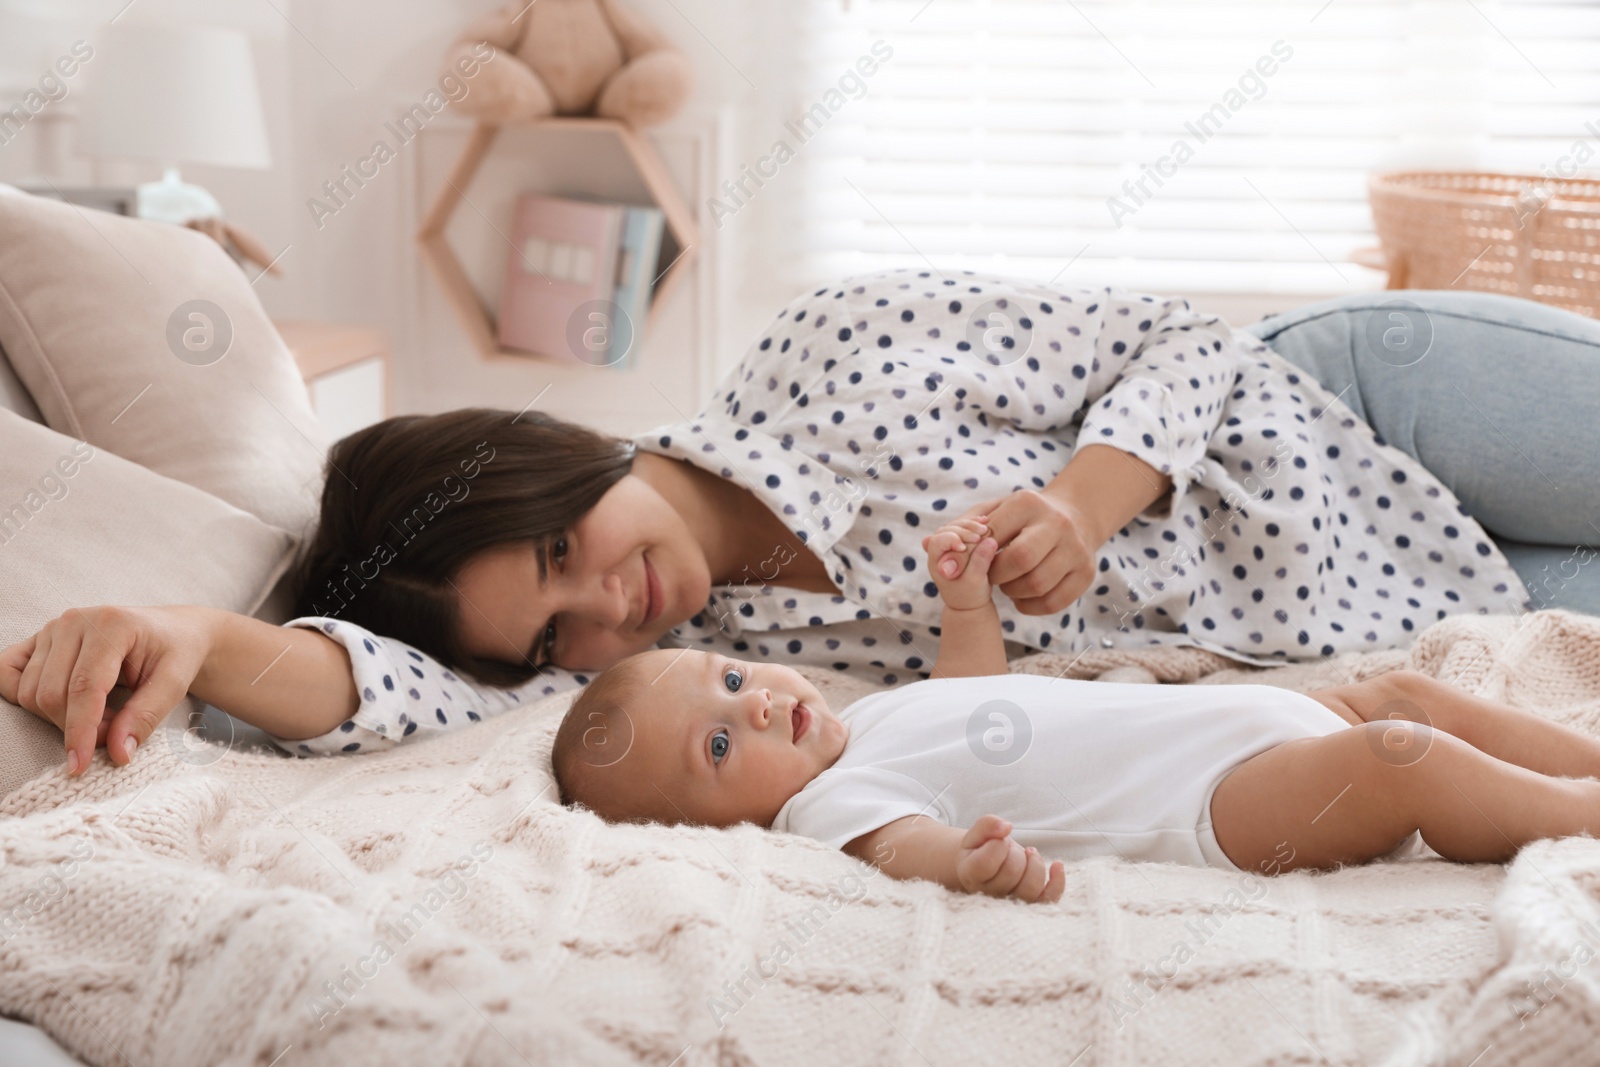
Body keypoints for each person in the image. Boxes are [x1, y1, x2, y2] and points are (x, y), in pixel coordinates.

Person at [4, 273, 1598, 776]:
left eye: (570, 550)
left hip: (1361, 427)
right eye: (556, 634)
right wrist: (202, 636)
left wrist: (1080, 502)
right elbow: (390, 689)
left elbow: (1196, 345)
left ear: (571, 448)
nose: (611, 611)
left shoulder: (836, 343)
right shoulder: (684, 670)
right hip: (1431, 624)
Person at [550, 515, 1600, 902]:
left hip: (1246, 718)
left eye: (733, 680)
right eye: (722, 743)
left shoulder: (871, 723)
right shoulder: (827, 807)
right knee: (1397, 751)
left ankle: (1582, 762)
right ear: (721, 822)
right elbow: (901, 849)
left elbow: (973, 690)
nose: (762, 703)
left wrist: (966, 601)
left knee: (1405, 688)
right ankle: (1573, 814)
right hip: (1217, 802)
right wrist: (966, 864)